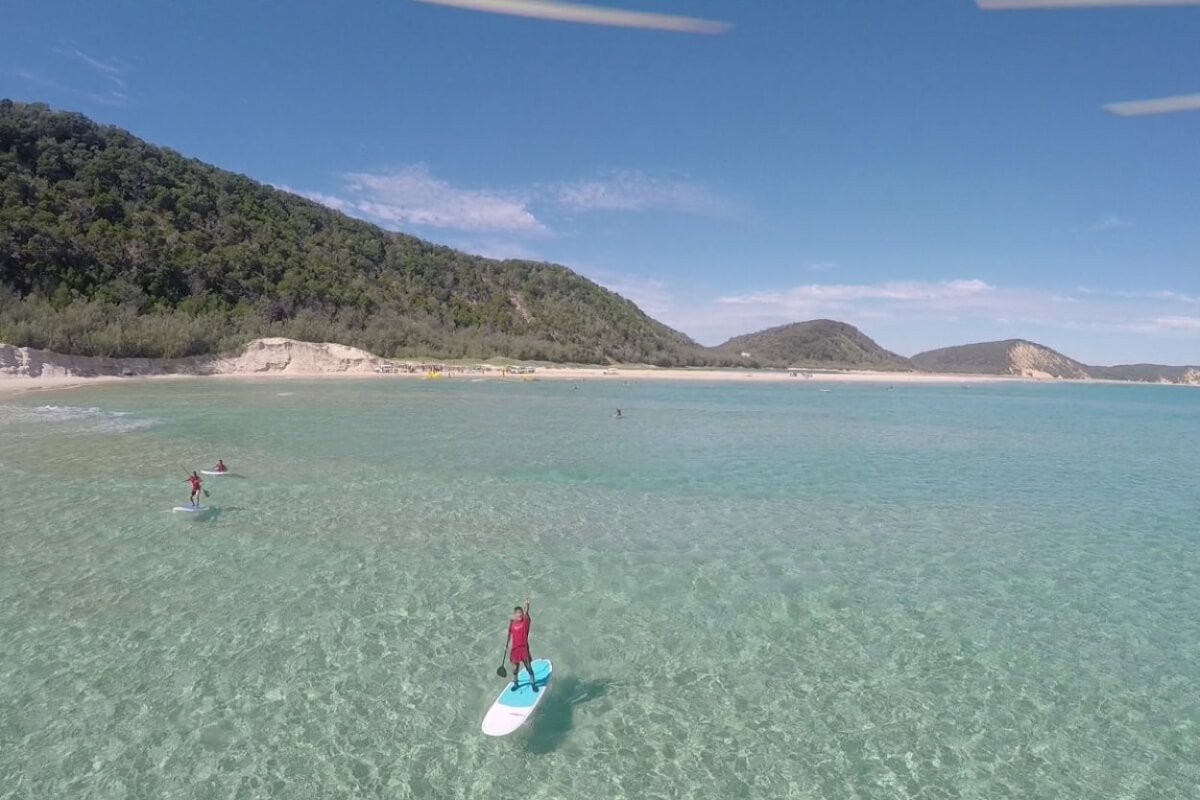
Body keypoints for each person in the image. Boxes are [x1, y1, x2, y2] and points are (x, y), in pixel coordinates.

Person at [506, 597, 537, 693]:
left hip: (524, 649)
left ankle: (533, 683)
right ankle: (516, 683)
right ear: (514, 614)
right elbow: (509, 634)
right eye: (517, 613)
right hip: (515, 650)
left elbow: (526, 612)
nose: (519, 614)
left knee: (528, 668)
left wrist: (527, 605)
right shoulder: (512, 623)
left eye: (521, 613)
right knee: (515, 669)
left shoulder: (525, 623)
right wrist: (506, 645)